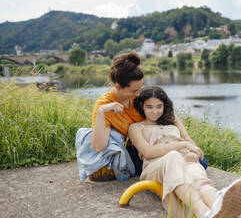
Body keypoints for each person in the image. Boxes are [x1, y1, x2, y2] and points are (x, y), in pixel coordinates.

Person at [129, 86, 241, 218]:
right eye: (149, 107)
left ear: (165, 106)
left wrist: (193, 153)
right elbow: (148, 152)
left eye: (159, 106)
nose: (155, 111)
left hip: (182, 160)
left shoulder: (172, 122)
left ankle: (219, 214)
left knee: (196, 172)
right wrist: (180, 146)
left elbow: (190, 143)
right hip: (156, 166)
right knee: (173, 157)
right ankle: (204, 214)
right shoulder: (136, 127)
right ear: (142, 107)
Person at [80, 52, 201, 182]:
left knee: (199, 162)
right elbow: (98, 146)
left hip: (160, 143)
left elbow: (168, 115)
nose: (138, 94)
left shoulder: (138, 97)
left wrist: (189, 144)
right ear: (118, 87)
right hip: (140, 151)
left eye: (140, 88)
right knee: (176, 166)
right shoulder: (104, 105)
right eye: (134, 91)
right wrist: (101, 112)